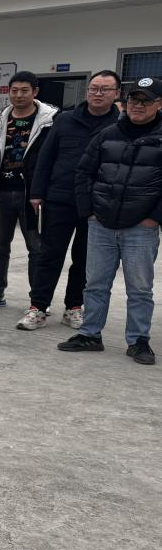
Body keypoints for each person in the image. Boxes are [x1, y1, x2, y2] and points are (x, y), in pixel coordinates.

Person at [59, 77, 162, 365]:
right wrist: (89, 212)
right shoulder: (108, 134)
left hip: (140, 228)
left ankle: (138, 341)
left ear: (159, 104)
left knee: (139, 288)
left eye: (145, 101)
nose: (137, 106)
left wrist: (154, 218)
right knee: (95, 284)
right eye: (133, 100)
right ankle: (90, 334)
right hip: (101, 224)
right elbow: (84, 172)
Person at [19, 71, 121, 331]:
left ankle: (74, 307)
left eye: (105, 89)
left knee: (84, 259)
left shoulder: (120, 125)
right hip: (59, 199)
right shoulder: (65, 119)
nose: (98, 93)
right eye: (94, 88)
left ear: (117, 94)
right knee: (49, 255)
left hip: (97, 204)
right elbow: (46, 158)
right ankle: (38, 307)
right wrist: (36, 193)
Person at [0, 71, 58, 309]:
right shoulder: (0, 119)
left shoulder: (50, 121)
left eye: (24, 91)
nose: (18, 95)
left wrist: (45, 186)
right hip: (2, 193)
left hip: (33, 196)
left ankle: (38, 299)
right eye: (14, 90)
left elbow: (57, 154)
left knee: (36, 248)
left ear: (35, 92)